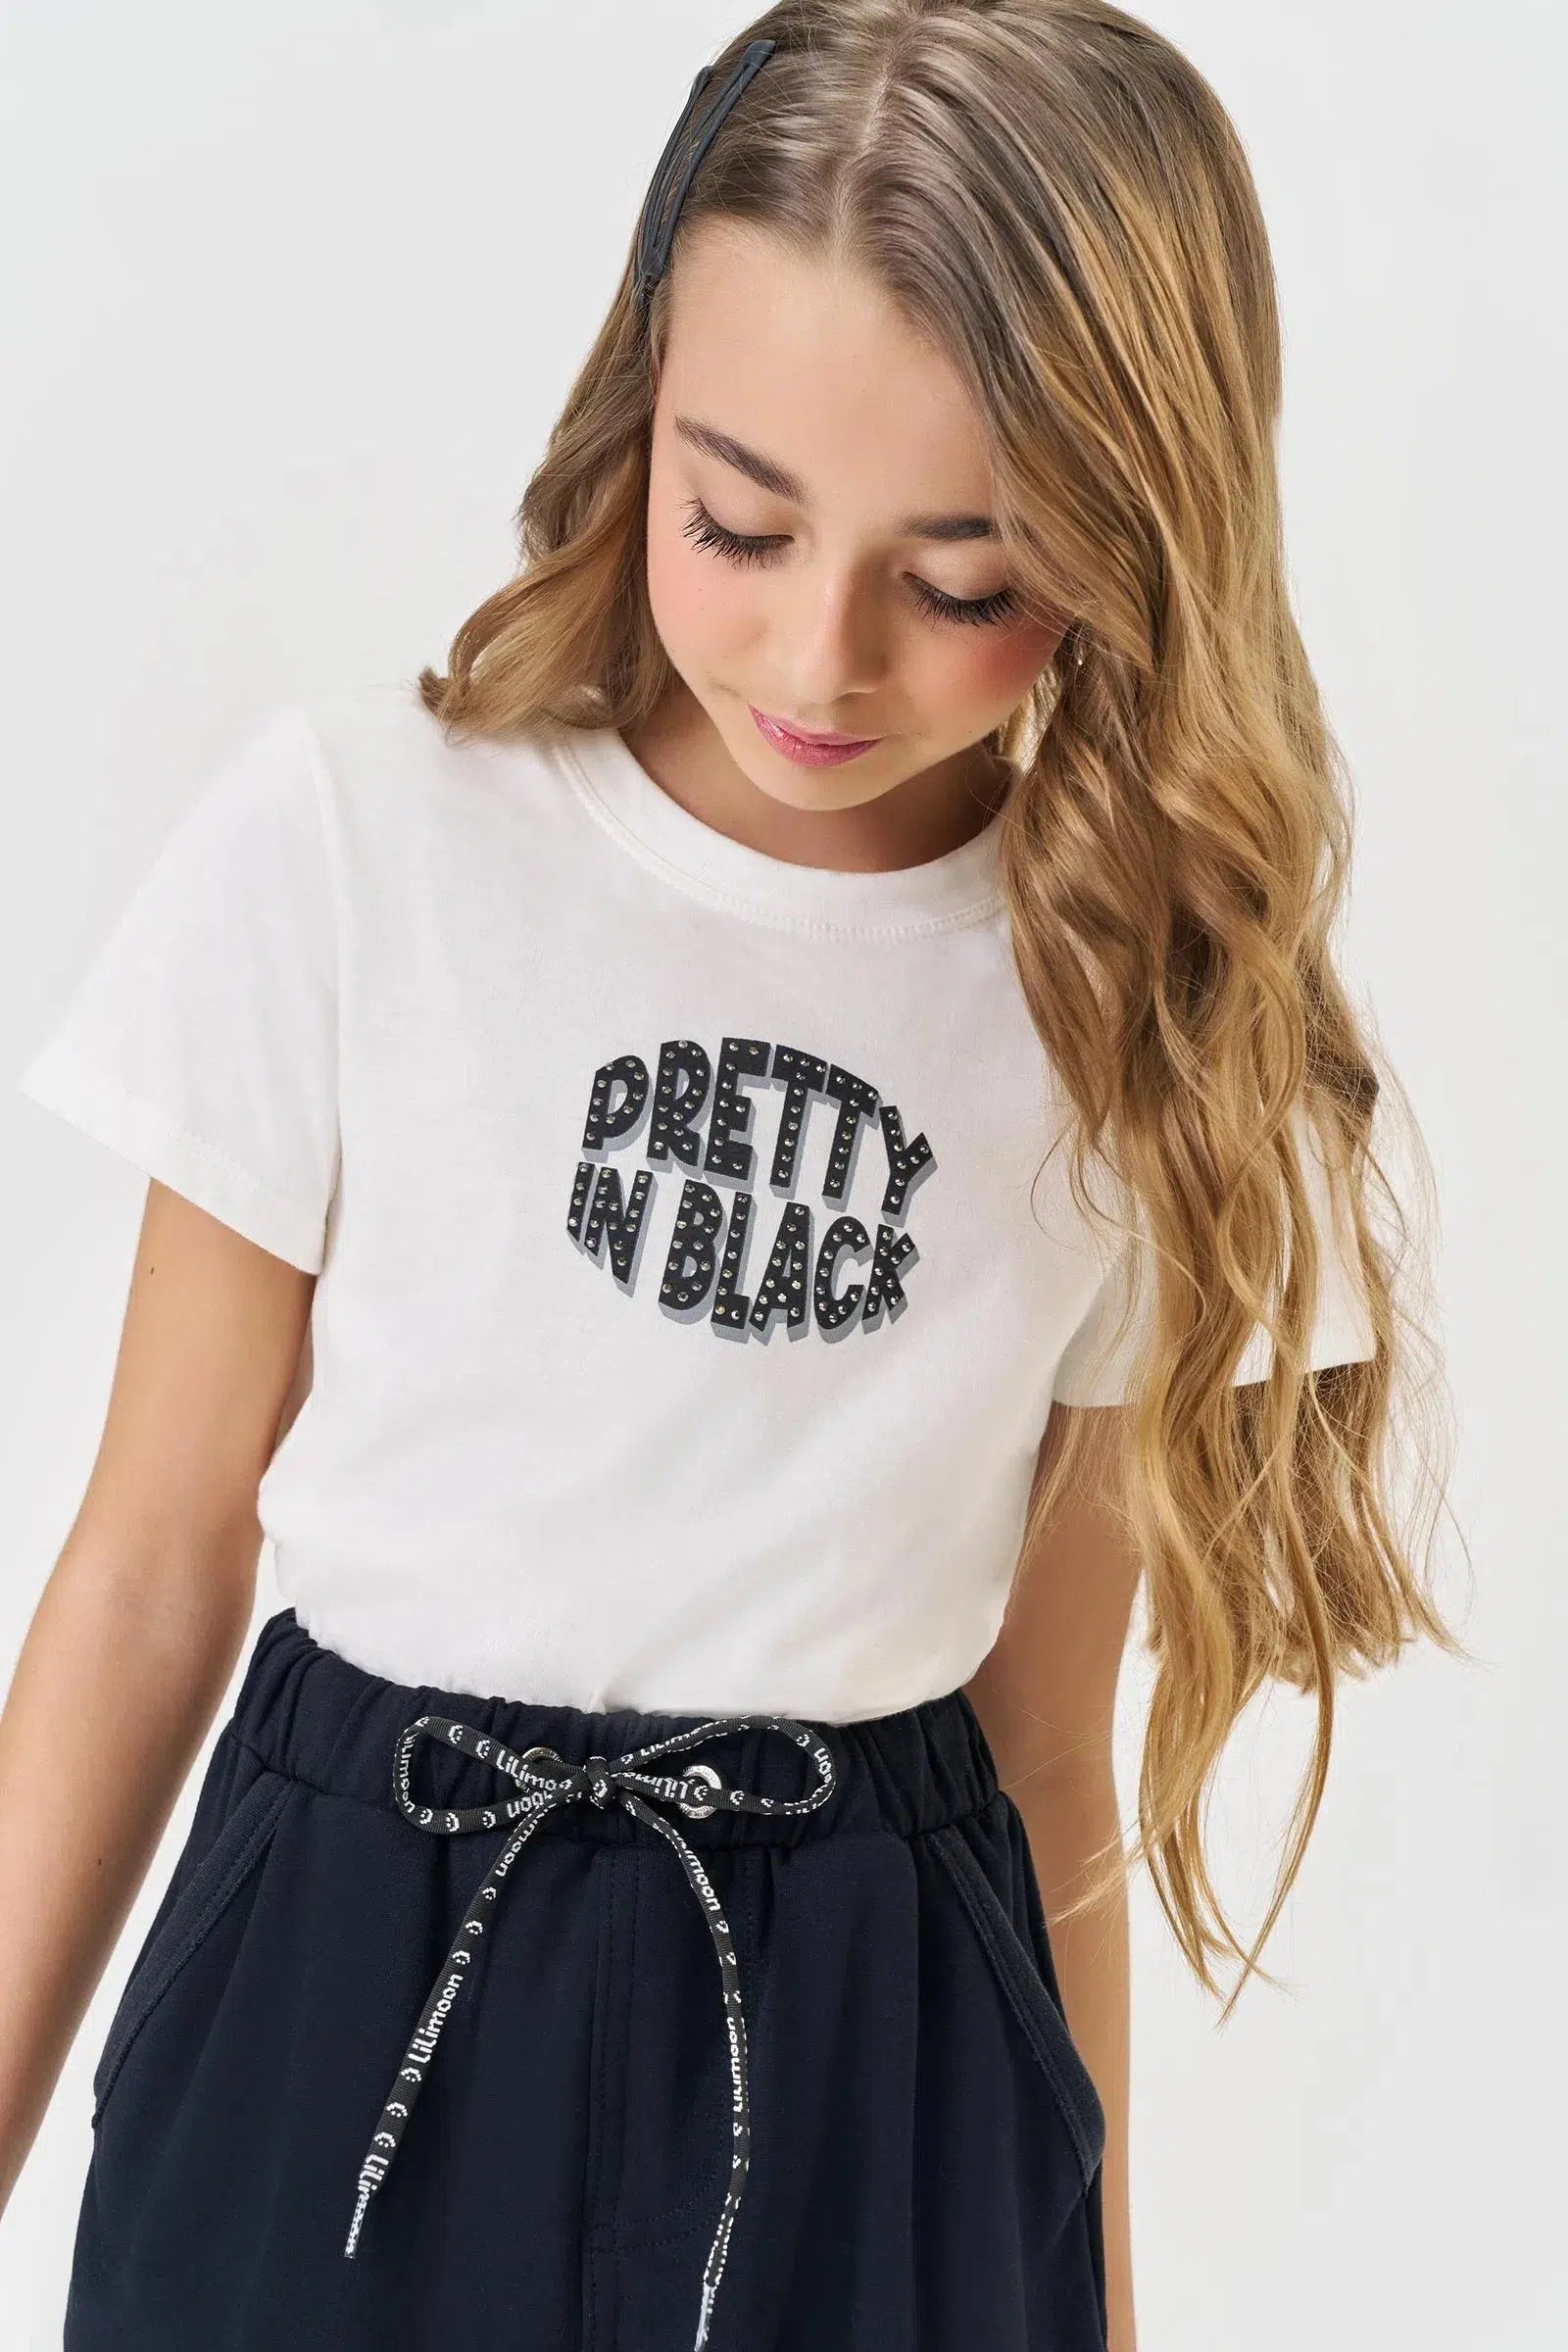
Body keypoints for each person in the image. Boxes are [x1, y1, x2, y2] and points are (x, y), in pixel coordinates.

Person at [0, 5, 1462, 2347]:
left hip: (872, 2024)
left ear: (1133, 542)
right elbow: (152, 1568)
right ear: (637, 412)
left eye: (962, 578)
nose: (817, 652)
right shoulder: (362, 847)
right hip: (340, 1970)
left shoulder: (1144, 1023)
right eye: (738, 522)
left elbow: (1040, 1738)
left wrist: (1091, 2303)